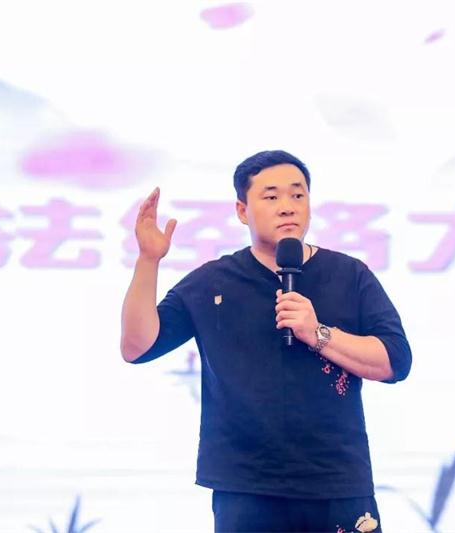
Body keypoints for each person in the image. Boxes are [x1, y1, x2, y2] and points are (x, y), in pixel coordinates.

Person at [120, 150, 412, 533]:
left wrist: (318, 333)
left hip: (337, 483)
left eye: (298, 195)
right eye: (271, 196)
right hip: (246, 487)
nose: (287, 206)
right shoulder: (214, 280)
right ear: (242, 211)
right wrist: (148, 260)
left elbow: (395, 360)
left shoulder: (348, 274)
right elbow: (138, 346)